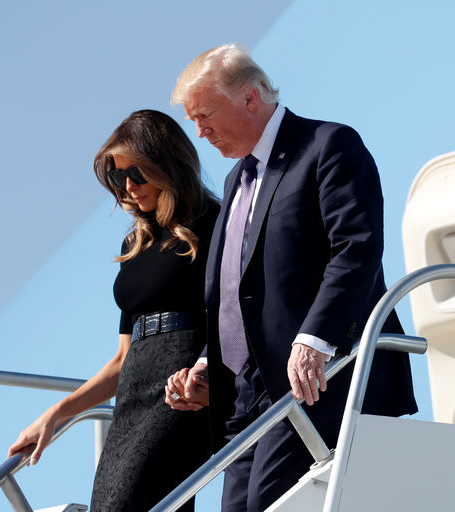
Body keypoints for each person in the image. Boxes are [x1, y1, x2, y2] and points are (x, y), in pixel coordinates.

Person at [164, 44, 417, 511]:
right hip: (244, 396)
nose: (199, 133)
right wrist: (207, 363)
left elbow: (356, 249)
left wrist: (316, 339)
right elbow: (237, 291)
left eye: (205, 115)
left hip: (310, 381)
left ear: (248, 98)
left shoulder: (328, 146)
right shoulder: (235, 181)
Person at [8, 109, 219, 512]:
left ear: (167, 163)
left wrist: (207, 373)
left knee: (132, 501)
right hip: (133, 392)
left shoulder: (213, 224)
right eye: (120, 176)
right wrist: (54, 416)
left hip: (183, 386)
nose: (128, 186)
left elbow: (233, 318)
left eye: (137, 172)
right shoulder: (134, 245)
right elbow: (122, 358)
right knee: (109, 502)